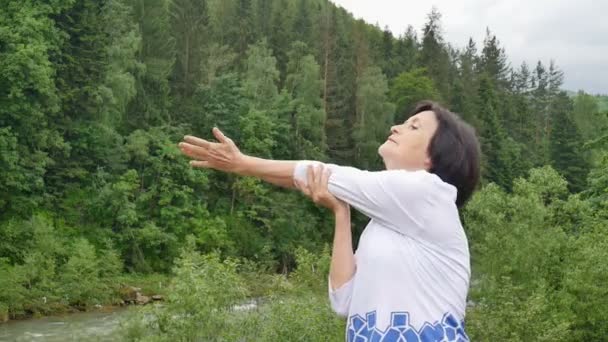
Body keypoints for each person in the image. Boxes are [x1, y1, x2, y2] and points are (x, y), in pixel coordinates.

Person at [178, 100, 481, 342]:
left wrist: (243, 164)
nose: (396, 127)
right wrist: (341, 213)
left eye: (413, 126)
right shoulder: (383, 227)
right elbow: (343, 300)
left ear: (436, 157)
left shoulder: (432, 195)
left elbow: (323, 173)